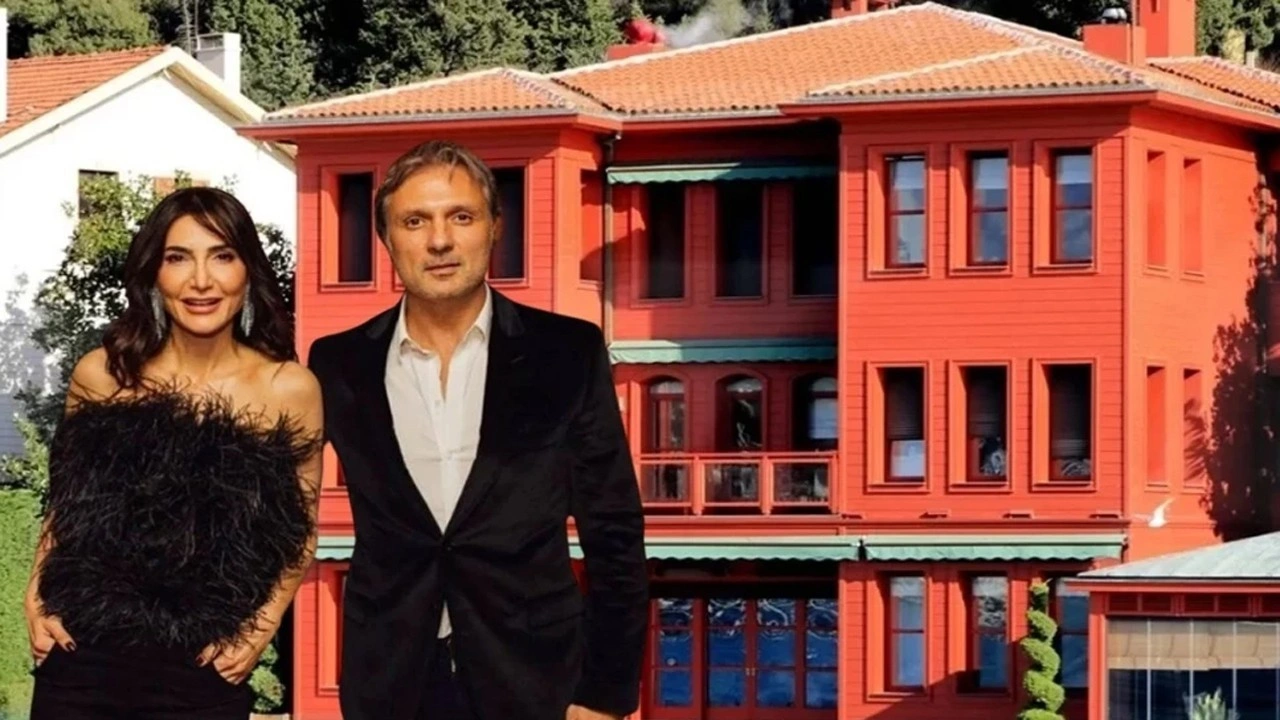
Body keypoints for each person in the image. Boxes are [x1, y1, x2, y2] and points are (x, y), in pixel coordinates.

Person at [306, 140, 648, 720]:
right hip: (389, 681)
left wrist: (605, 693)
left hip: (538, 680)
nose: (439, 240)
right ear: (387, 238)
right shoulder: (338, 364)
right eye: (415, 221)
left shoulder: (567, 352)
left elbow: (613, 529)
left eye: (460, 217)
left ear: (494, 227)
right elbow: (277, 507)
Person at [23, 187, 324, 720]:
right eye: (178, 258)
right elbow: (65, 507)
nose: (201, 280)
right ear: (154, 275)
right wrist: (35, 593)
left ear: (247, 271)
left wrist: (262, 625)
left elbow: (300, 531)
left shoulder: (289, 389)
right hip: (80, 659)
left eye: (222, 256)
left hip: (203, 671)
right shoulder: (101, 375)